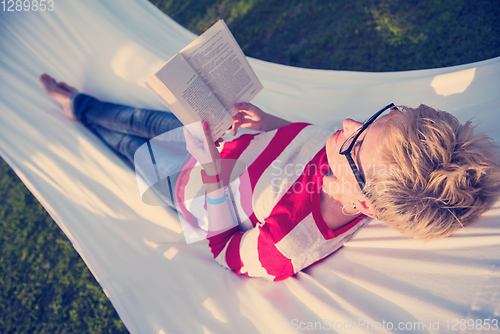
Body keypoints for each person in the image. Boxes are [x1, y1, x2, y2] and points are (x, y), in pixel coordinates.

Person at [40, 73, 500, 281]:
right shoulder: (354, 163)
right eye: (376, 116)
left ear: (368, 205)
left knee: (128, 147)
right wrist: (270, 123)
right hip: (221, 139)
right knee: (144, 118)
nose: (345, 125)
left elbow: (223, 248)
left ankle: (81, 116)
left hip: (190, 185)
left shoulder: (287, 243)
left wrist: (211, 173)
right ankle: (83, 103)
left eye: (356, 142)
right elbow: (312, 136)